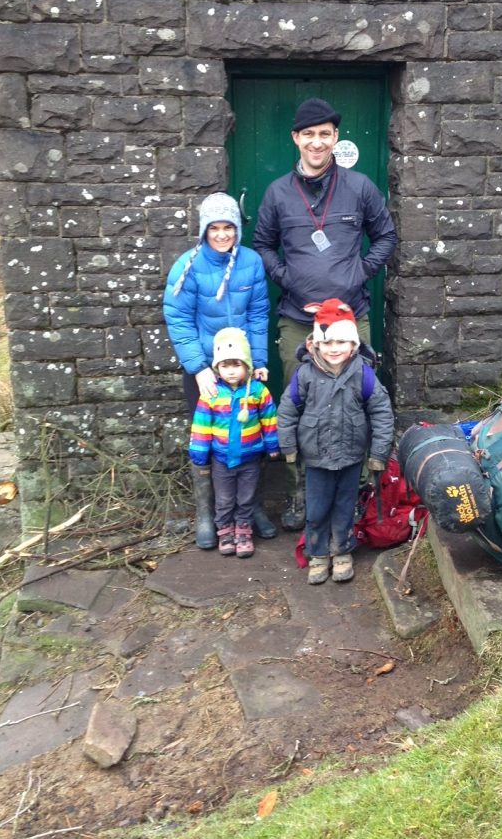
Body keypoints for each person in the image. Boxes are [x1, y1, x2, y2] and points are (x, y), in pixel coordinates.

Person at [253, 97, 397, 531]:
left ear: (335, 138)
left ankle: (352, 497)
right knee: (304, 407)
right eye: (309, 134)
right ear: (296, 138)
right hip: (299, 318)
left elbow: (386, 237)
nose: (317, 142)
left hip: (353, 317)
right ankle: (301, 494)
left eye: (325, 134)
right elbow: (262, 244)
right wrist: (291, 281)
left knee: (356, 405)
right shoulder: (278, 192)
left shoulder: (360, 187)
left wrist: (358, 274)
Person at [163, 192, 278, 548]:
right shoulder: (188, 265)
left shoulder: (252, 262)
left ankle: (251, 507)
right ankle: (207, 514)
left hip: (242, 368)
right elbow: (178, 317)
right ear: (204, 230)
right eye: (215, 228)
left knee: (250, 435)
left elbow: (259, 314)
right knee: (208, 439)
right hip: (206, 369)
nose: (222, 234)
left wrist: (258, 362)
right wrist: (198, 368)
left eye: (228, 227)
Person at [276, 299, 394, 585]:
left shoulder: (364, 375)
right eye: (327, 342)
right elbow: (287, 410)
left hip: (351, 456)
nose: (334, 348)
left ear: (353, 343)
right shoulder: (304, 374)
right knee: (316, 509)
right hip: (315, 457)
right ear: (315, 344)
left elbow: (381, 412)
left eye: (341, 341)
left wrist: (378, 453)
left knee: (344, 506)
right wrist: (289, 447)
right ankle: (317, 553)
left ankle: (342, 549)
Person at [188, 328, 279, 559]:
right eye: (225, 366)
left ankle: (243, 531)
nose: (230, 371)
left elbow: (269, 420)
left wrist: (273, 445)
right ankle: (225, 531)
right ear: (217, 368)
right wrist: (200, 453)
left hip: (250, 458)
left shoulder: (258, 391)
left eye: (236, 365)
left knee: (247, 497)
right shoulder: (211, 393)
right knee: (225, 498)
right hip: (222, 459)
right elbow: (201, 425)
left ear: (247, 366)